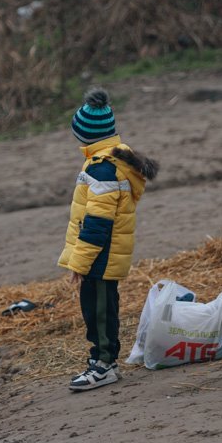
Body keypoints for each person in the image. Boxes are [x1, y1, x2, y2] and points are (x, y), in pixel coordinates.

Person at [58, 88, 158, 391]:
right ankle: (102, 360)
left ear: (84, 134)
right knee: (99, 306)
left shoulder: (103, 170)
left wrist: (80, 262)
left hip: (101, 254)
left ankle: (104, 364)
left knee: (99, 311)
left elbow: (97, 224)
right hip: (102, 253)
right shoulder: (105, 161)